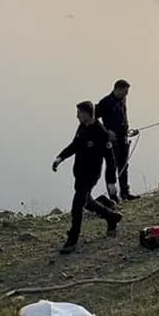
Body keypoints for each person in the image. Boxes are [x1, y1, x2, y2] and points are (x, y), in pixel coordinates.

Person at [53, 101, 123, 255]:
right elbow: (74, 145)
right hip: (79, 173)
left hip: (91, 175)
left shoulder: (101, 133)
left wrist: (111, 182)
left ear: (86, 113)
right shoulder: (82, 127)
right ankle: (111, 216)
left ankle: (72, 240)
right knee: (87, 202)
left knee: (77, 206)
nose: (77, 115)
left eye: (79, 113)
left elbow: (110, 160)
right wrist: (60, 158)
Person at [96, 80, 139, 202]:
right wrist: (106, 132)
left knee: (124, 166)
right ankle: (113, 196)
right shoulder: (105, 102)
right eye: (124, 92)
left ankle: (125, 192)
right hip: (112, 142)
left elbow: (122, 119)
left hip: (123, 139)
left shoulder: (122, 100)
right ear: (117, 89)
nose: (126, 95)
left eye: (127, 92)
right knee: (111, 167)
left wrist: (129, 131)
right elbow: (93, 118)